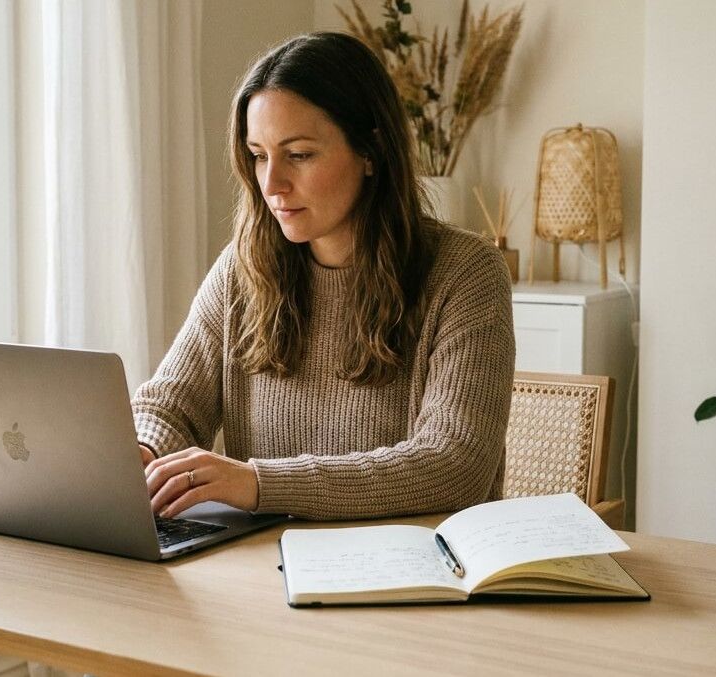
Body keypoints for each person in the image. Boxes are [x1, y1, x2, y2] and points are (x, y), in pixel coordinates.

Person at [136, 31, 515, 521]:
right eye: (258, 155)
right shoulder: (241, 269)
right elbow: (169, 407)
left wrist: (256, 483)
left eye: (299, 155)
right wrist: (143, 454)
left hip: (411, 579)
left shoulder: (466, 274)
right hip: (263, 570)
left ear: (371, 151)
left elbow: (454, 463)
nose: (271, 184)